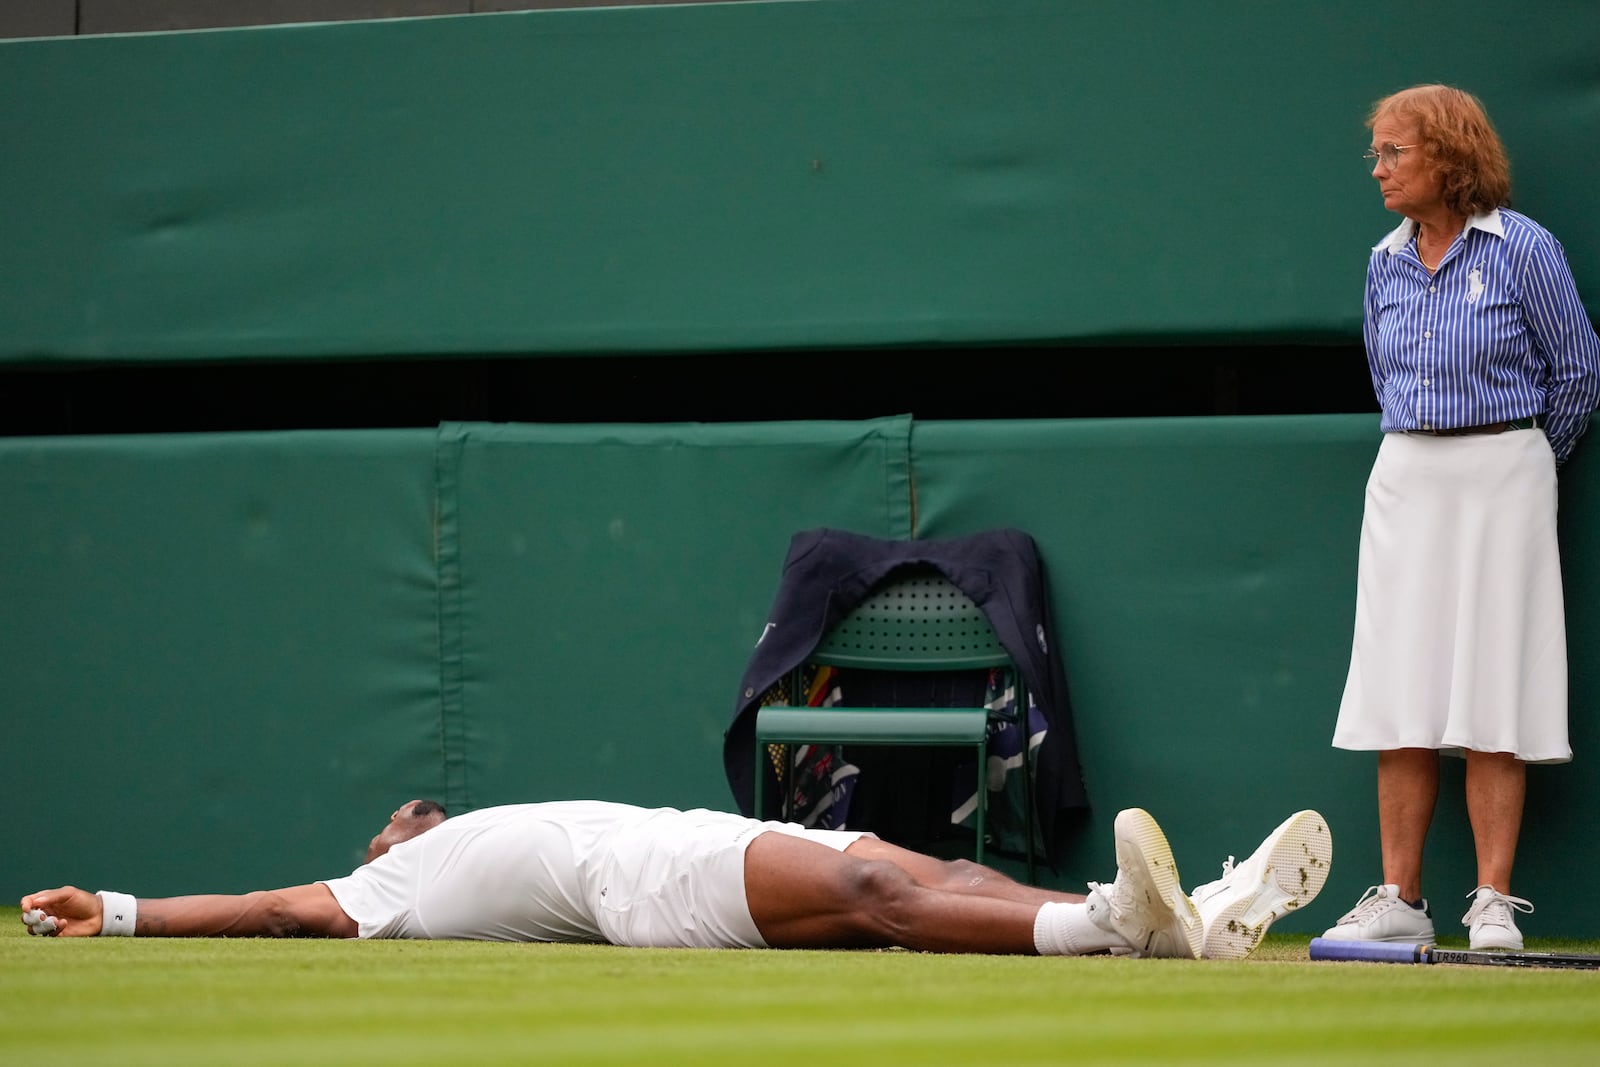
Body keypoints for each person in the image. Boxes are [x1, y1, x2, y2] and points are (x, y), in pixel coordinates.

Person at [1327, 85, 1600, 951]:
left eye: (1394, 152)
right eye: (1376, 153)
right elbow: (1385, 377)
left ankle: (1491, 900)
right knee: (1401, 684)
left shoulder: (1524, 249)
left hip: (1506, 475)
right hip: (1406, 474)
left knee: (1493, 682)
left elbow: (1578, 373)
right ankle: (1401, 897)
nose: (1379, 169)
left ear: (1448, 156)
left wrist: (1519, 466)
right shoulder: (1384, 260)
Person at [21, 799, 1331, 962]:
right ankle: (1110, 925)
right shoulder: (388, 887)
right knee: (879, 888)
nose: (408, 813)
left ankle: (1191, 925)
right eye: (393, 820)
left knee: (915, 864)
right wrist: (122, 908)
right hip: (650, 886)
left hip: (682, 833)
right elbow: (270, 908)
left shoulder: (464, 821)